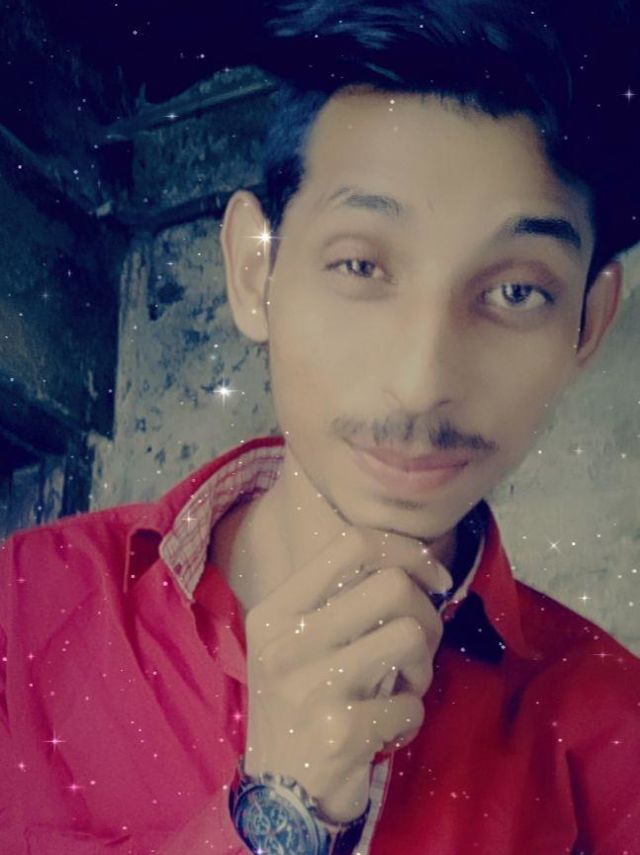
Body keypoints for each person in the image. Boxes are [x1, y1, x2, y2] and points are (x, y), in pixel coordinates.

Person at [2, 1, 640, 853]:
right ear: (254, 270)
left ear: (587, 326)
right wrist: (277, 817)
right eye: (361, 264)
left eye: (516, 290)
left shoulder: (617, 732)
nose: (422, 383)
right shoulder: (20, 608)